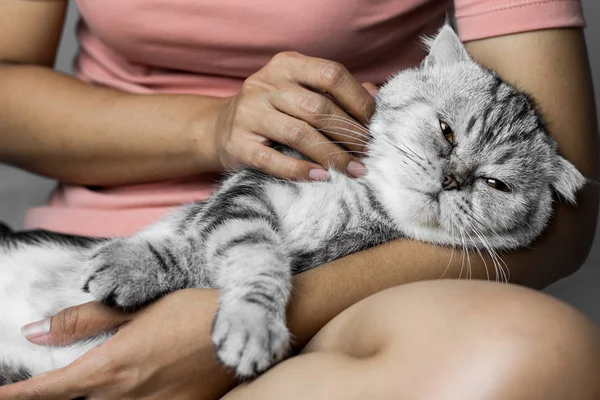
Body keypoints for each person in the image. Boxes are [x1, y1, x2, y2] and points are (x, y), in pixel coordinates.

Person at [0, 0, 599, 398]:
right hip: (101, 248)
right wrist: (211, 130)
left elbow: (563, 216)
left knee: (539, 353)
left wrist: (250, 314)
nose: (452, 176)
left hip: (369, 291)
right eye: (446, 140)